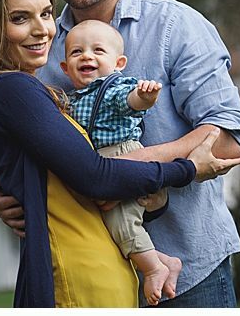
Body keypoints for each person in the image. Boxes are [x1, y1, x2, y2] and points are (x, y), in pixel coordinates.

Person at [0, 0, 240, 307]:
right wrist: (1, 193)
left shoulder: (174, 26)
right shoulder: (41, 47)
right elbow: (25, 140)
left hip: (191, 273)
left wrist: (120, 168)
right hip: (99, 283)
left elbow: (231, 138)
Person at [59, 19, 180, 305]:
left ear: (119, 62)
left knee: (122, 223)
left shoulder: (112, 86)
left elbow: (128, 101)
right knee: (112, 229)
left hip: (123, 159)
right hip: (101, 166)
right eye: (77, 52)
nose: (87, 56)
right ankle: (164, 261)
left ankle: (153, 269)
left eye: (98, 50)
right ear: (65, 67)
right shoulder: (74, 99)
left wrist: (144, 96)